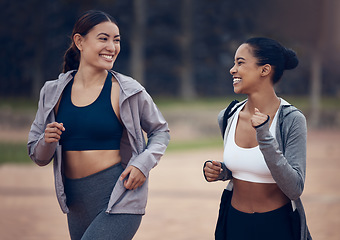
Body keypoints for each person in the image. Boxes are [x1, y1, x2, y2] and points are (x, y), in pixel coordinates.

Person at [27, 10, 170, 240]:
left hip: (120, 196)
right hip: (75, 203)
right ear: (80, 41)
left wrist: (143, 164)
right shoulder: (52, 92)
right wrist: (47, 140)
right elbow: (38, 156)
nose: (112, 47)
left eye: (117, 40)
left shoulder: (128, 90)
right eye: (103, 38)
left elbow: (160, 130)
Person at [203, 37, 312, 240]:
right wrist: (221, 171)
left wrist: (264, 135)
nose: (232, 69)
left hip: (276, 225)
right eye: (234, 63)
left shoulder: (291, 120)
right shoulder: (227, 116)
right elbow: (246, 169)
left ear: (265, 70)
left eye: (240, 62)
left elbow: (295, 188)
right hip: (234, 223)